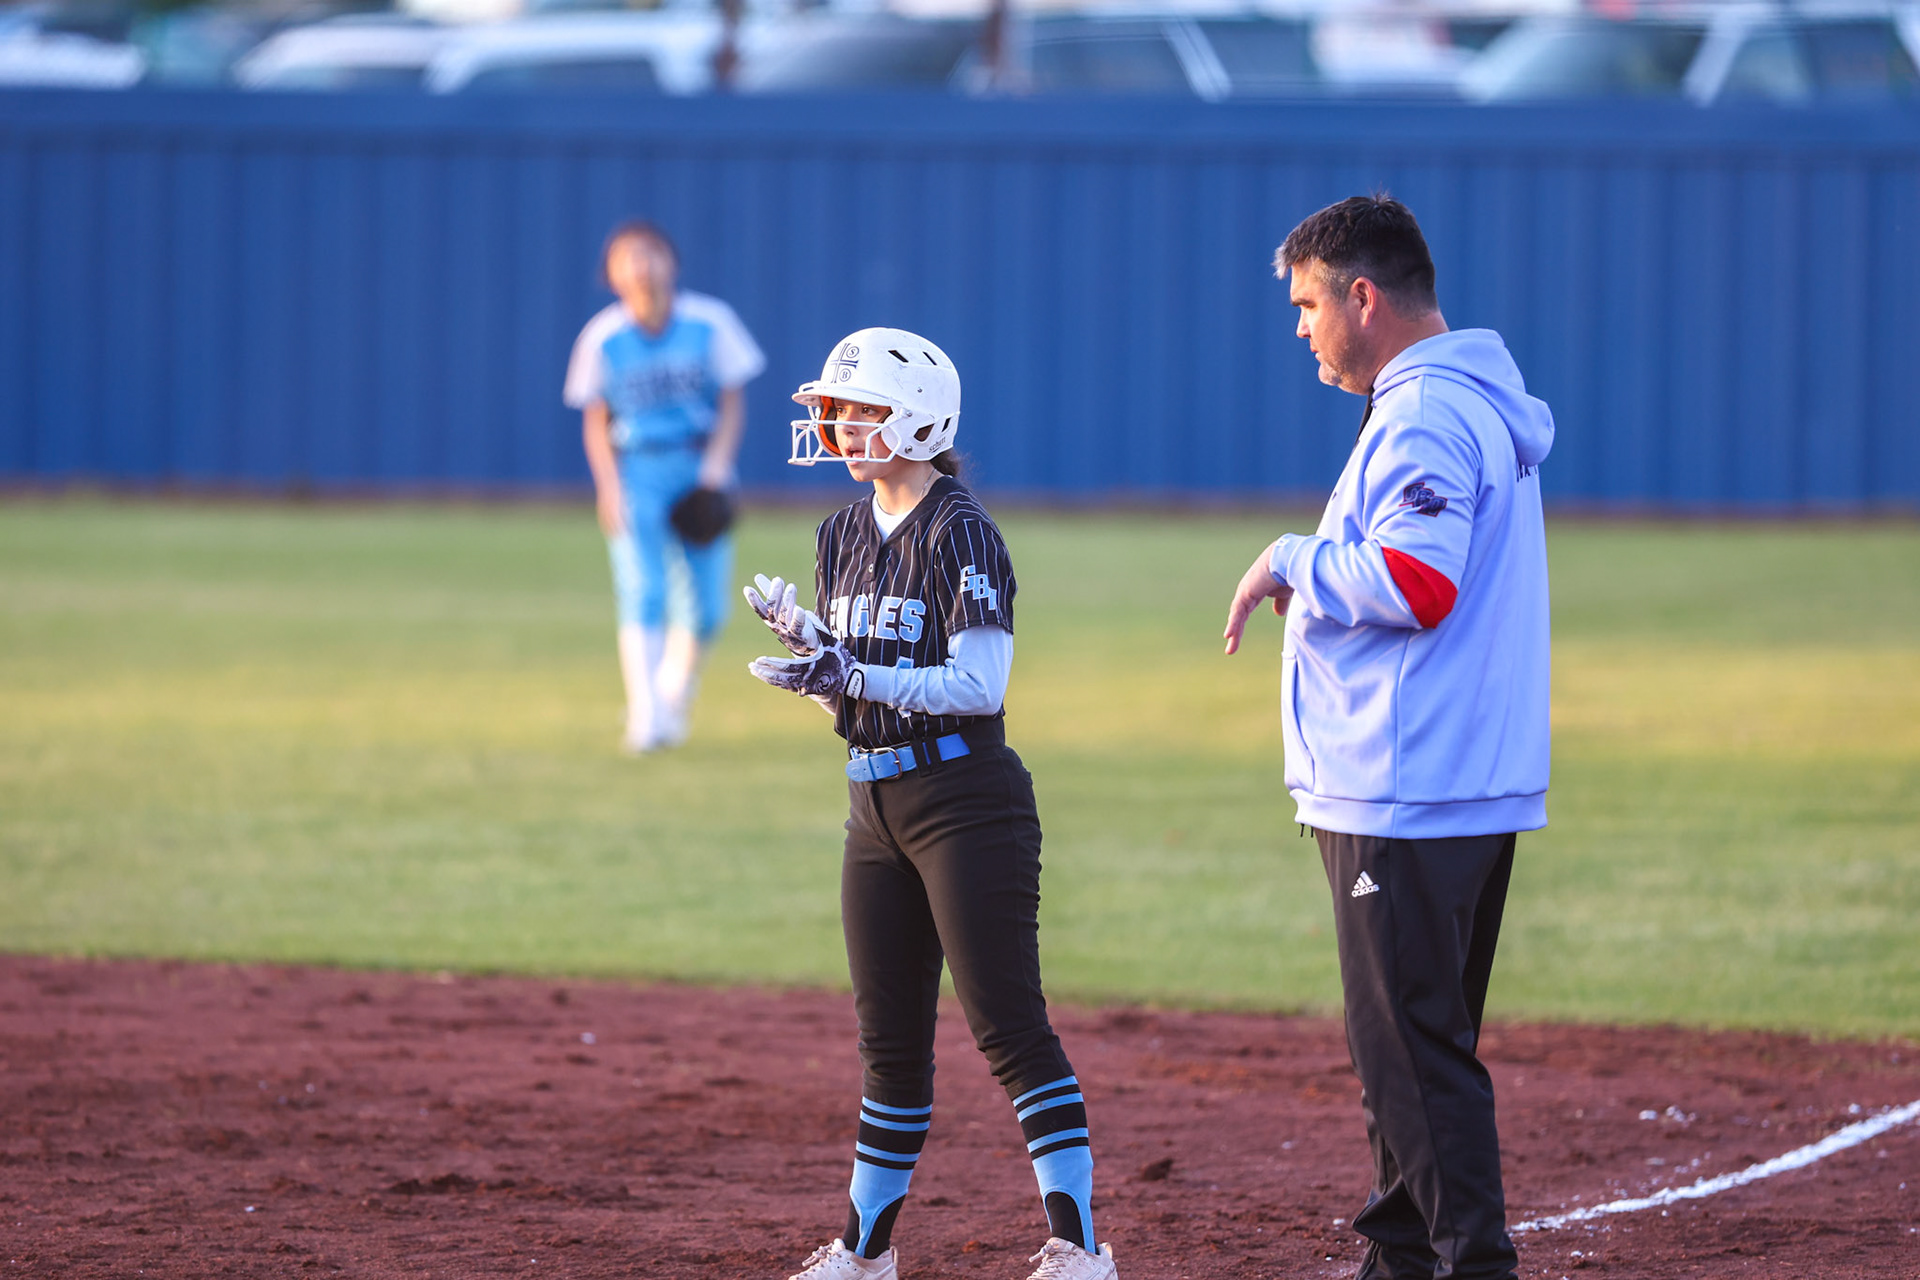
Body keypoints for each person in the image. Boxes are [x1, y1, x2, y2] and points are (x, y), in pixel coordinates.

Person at [1222, 195, 1555, 1280]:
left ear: (1364, 297)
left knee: (1410, 1054)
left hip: (1408, 789)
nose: (1304, 327)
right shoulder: (1454, 399)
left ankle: (1470, 1263)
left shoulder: (1422, 415)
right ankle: (1402, 1257)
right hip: (1451, 778)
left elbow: (1418, 580)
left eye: (1310, 303)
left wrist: (1290, 556)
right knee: (1412, 1046)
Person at [743, 328, 1119, 1280]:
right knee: (889, 1042)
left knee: (1006, 1024)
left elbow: (980, 683)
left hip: (965, 799)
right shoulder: (838, 533)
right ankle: (865, 1253)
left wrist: (851, 663)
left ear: (918, 420)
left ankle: (1079, 1251)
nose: (834, 424)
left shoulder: (962, 528)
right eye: (834, 409)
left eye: (857, 409)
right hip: (872, 806)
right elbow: (855, 698)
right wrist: (814, 662)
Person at [562, 221, 765, 753]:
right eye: (628, 256)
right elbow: (596, 419)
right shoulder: (603, 337)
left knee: (708, 610)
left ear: (672, 263)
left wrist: (717, 470)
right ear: (609, 274)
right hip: (638, 467)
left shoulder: (709, 322)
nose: (642, 265)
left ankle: (673, 689)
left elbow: (732, 401)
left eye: (651, 253)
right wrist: (608, 486)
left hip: (698, 461)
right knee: (643, 590)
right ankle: (646, 716)